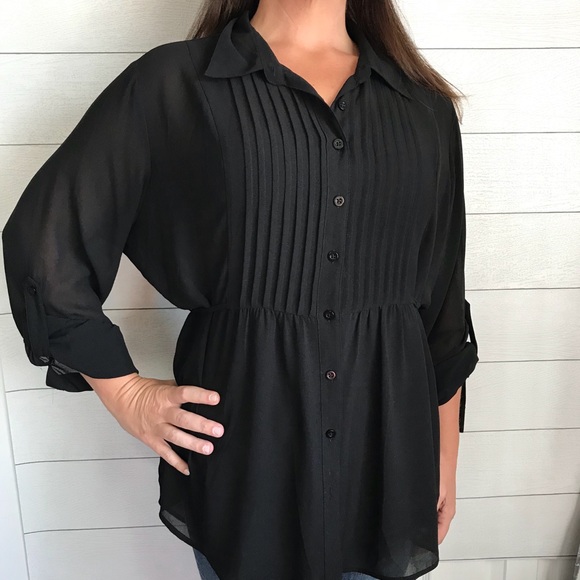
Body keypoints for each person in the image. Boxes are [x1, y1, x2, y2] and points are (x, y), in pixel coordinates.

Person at [2, 0, 479, 578]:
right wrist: (126, 393)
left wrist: (444, 455)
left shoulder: (423, 107)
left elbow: (442, 303)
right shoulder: (174, 85)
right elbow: (47, 239)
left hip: (386, 467)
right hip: (249, 466)